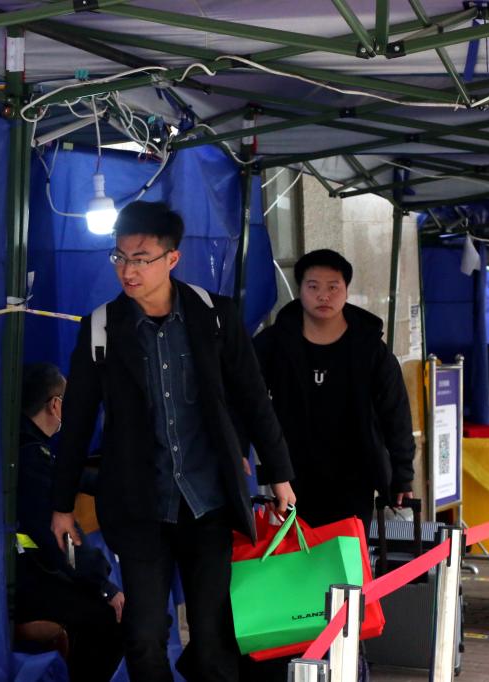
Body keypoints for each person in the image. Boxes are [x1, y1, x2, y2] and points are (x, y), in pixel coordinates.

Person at [51, 201, 296, 682]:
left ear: (172, 258)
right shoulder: (100, 329)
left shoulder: (216, 317)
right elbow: (76, 422)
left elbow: (253, 400)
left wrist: (280, 475)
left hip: (209, 502)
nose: (128, 270)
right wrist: (62, 505)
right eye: (120, 257)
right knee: (143, 636)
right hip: (139, 507)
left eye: (141, 258)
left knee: (212, 637)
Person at [254, 249, 415, 529]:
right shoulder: (274, 344)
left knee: (348, 553)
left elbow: (395, 413)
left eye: (333, 287)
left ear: (346, 290)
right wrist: (242, 451)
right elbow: (248, 399)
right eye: (313, 287)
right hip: (291, 477)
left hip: (354, 476)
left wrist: (402, 474)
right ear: (300, 290)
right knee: (298, 553)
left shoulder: (370, 348)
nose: (323, 296)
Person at [15, 363, 124, 682]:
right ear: (55, 405)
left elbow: (63, 475)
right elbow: (62, 540)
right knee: (113, 617)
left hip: (25, 571)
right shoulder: (31, 458)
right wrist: (103, 585)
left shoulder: (23, 446)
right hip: (26, 582)